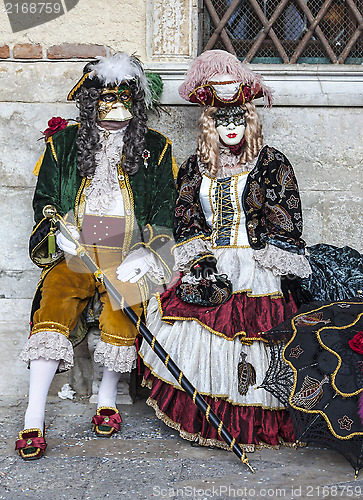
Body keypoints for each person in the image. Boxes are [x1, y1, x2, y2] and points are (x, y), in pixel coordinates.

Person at [139, 49, 313, 451]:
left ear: (250, 120)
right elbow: (185, 217)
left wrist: (268, 250)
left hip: (257, 265)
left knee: (254, 341)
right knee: (201, 330)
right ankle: (210, 420)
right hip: (211, 260)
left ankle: (253, 424)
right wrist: (199, 260)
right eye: (221, 120)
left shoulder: (271, 163)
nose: (230, 128)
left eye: (238, 118)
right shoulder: (194, 166)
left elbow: (288, 218)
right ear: (208, 125)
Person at [15, 53, 177, 460]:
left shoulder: (156, 148)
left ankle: (107, 399)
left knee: (123, 308)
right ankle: (33, 417)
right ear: (90, 104)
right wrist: (57, 231)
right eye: (105, 102)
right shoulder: (63, 144)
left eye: (124, 103)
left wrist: (147, 253)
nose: (114, 112)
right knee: (52, 302)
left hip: (126, 250)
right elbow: (46, 201)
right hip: (76, 250)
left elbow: (162, 208)